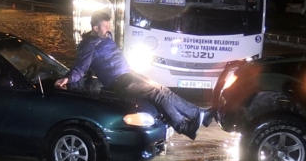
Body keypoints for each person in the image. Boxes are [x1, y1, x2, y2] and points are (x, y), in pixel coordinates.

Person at [55, 10, 214, 140]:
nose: (108, 29)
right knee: (157, 94)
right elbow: (80, 68)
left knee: (163, 90)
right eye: (105, 26)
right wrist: (68, 78)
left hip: (129, 74)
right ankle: (184, 127)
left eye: (109, 25)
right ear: (95, 28)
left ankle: (200, 114)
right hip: (120, 82)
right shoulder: (88, 46)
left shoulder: (105, 36)